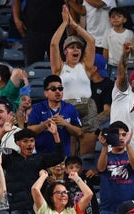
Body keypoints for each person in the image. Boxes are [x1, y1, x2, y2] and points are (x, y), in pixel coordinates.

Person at [0, 125, 66, 214]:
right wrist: (2, 133)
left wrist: (55, 134)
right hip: (18, 209)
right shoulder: (10, 159)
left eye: (32, 141)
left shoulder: (39, 159)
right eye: (25, 141)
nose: (30, 144)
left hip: (39, 210)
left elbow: (59, 156)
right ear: (18, 143)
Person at [50, 6, 98, 156]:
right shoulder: (59, 68)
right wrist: (65, 23)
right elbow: (53, 44)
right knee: (69, 144)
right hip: (67, 105)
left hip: (87, 104)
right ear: (65, 52)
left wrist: (74, 25)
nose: (76, 49)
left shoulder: (85, 66)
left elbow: (91, 41)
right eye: (71, 47)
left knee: (87, 143)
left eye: (78, 47)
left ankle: (83, 171)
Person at [96, 122, 134, 214]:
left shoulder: (133, 155)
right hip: (108, 211)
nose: (121, 138)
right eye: (117, 135)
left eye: (124, 134)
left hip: (131, 211)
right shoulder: (105, 154)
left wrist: (128, 145)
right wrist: (105, 146)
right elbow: (101, 168)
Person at [27, 75, 83, 157]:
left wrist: (65, 124)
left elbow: (79, 132)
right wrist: (47, 123)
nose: (58, 91)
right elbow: (30, 131)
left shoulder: (70, 108)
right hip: (42, 156)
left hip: (63, 156)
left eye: (60, 89)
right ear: (46, 93)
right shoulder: (37, 108)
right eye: (53, 89)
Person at [103, 7, 134, 81]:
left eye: (119, 16)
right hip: (114, 66)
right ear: (110, 20)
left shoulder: (129, 33)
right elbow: (105, 50)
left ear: (124, 20)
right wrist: (105, 66)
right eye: (113, 17)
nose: (116, 18)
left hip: (128, 66)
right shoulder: (107, 33)